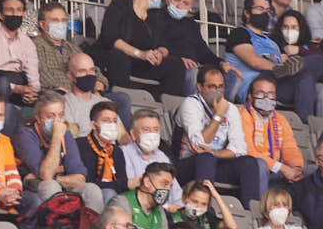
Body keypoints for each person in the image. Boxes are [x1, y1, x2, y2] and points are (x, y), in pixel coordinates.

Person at [176, 66, 266, 204]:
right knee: (205, 157)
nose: (217, 91)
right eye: (211, 87)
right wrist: (218, 116)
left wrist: (215, 154)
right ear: (200, 87)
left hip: (215, 163)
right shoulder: (191, 104)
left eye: (220, 86)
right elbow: (199, 145)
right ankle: (204, 208)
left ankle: (251, 213)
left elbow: (240, 149)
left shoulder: (230, 109)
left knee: (249, 162)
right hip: (186, 165)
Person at [97, 0, 187, 97]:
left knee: (176, 64)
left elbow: (164, 45)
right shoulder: (119, 6)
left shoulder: (156, 16)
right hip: (118, 58)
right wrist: (140, 54)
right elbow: (111, 38)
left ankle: (166, 106)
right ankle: (121, 99)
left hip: (142, 62)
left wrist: (159, 53)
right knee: (119, 58)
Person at [16, 90, 105, 211]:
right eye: (50, 116)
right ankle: (59, 227)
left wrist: (57, 179)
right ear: (38, 118)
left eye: (61, 115)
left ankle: (90, 228)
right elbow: (46, 175)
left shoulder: (66, 134)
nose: (57, 121)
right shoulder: (26, 134)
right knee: (50, 185)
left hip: (58, 185)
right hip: (32, 189)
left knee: (91, 189)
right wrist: (57, 137)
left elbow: (80, 177)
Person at [238, 74, 305, 188]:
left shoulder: (280, 119)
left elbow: (290, 148)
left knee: (315, 171)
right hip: (252, 169)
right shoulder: (242, 115)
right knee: (260, 165)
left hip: (277, 169)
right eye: (260, 93)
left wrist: (296, 168)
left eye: (271, 94)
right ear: (250, 96)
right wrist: (282, 168)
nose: (266, 98)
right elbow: (248, 151)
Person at [107, 162, 174, 229]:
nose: (167, 190)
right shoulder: (123, 202)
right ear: (147, 182)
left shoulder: (160, 212)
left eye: (170, 187)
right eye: (164, 184)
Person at [121, 109, 185, 208]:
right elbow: (131, 190)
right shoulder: (124, 153)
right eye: (146, 130)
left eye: (156, 130)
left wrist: (180, 207)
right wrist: (165, 206)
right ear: (133, 134)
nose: (152, 134)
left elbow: (176, 193)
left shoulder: (162, 157)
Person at [76, 100, 128, 202]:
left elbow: (122, 183)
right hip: (85, 194)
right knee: (109, 192)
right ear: (93, 125)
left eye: (114, 121)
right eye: (106, 120)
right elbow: (87, 182)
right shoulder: (80, 145)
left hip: (112, 197)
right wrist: (123, 184)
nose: (111, 124)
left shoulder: (117, 151)